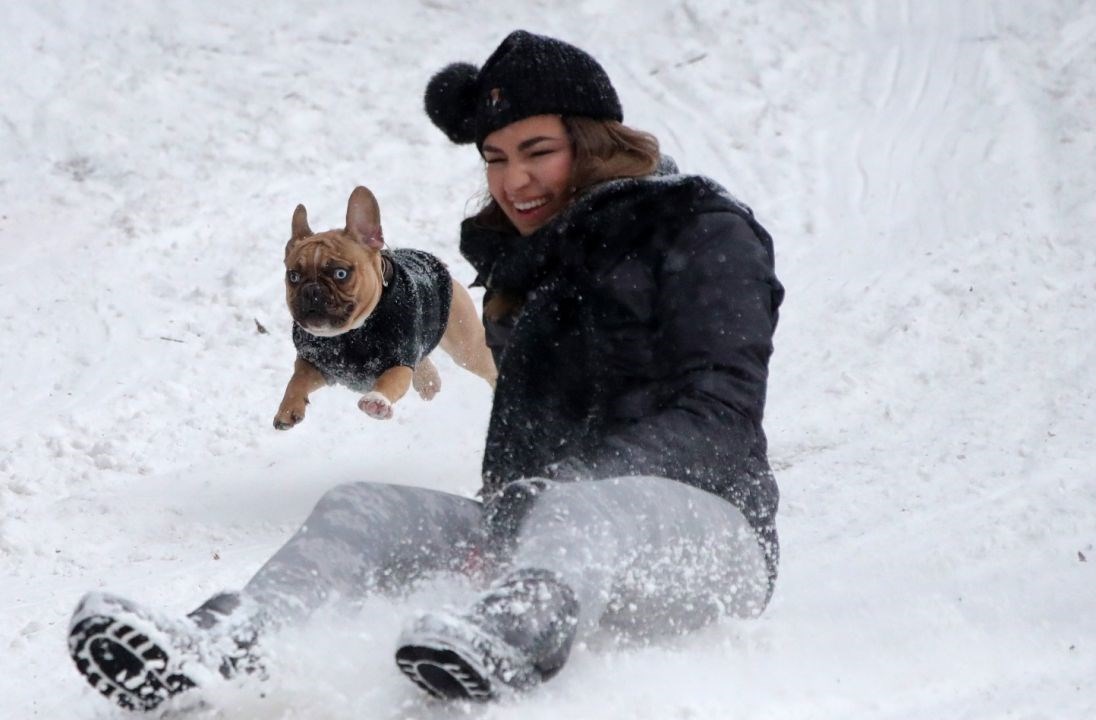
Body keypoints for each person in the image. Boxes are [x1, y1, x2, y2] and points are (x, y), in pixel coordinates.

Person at [66, 29, 784, 711]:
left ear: (593, 143)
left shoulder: (700, 228)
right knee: (361, 506)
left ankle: (512, 641)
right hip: (549, 544)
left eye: (537, 151)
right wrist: (513, 516)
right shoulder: (524, 271)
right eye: (496, 159)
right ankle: (224, 646)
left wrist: (564, 496)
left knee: (574, 507)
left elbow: (719, 415)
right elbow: (528, 442)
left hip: (709, 540)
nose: (514, 179)